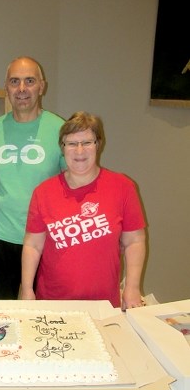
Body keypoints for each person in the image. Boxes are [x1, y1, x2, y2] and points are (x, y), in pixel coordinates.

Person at [21, 111, 146, 310]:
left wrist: (132, 287)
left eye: (87, 142)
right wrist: (27, 289)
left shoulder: (123, 187)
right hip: (53, 304)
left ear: (98, 144)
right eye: (71, 143)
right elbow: (33, 245)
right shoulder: (43, 192)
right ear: (62, 148)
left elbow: (134, 241)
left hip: (104, 304)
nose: (79, 151)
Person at [0, 56, 65, 299]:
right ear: (7, 87)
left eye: (29, 81)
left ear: (41, 86)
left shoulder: (59, 129)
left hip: (45, 241)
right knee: (0, 316)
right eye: (15, 81)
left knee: (41, 317)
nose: (22, 89)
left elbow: (74, 185)